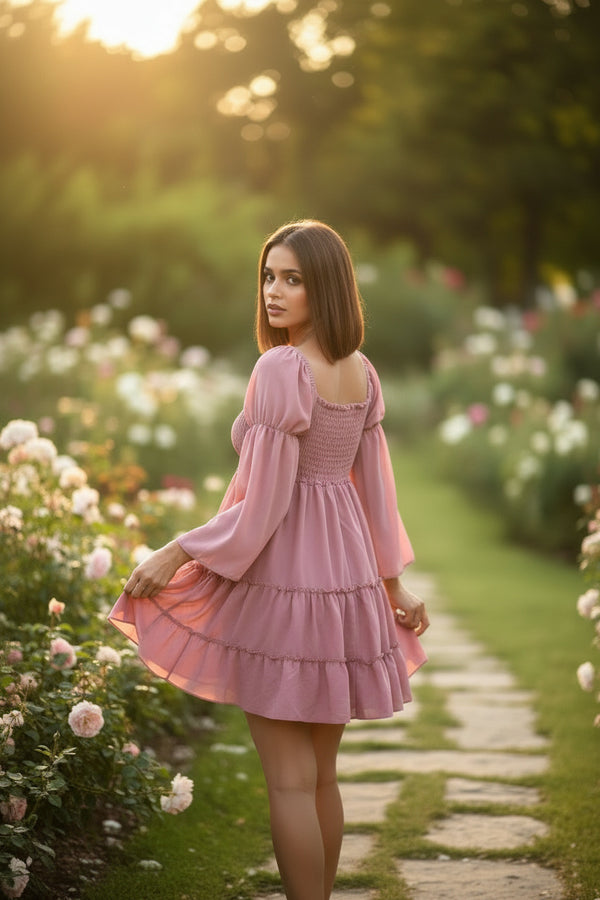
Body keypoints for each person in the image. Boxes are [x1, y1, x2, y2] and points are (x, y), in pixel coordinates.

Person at [108, 219, 429, 900]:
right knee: (320, 776)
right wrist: (391, 583)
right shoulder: (360, 373)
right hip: (342, 577)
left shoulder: (282, 369)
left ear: (328, 288)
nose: (274, 291)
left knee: (288, 779)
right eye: (269, 276)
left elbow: (261, 512)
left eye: (293, 279)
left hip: (287, 575)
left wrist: (180, 547)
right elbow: (375, 494)